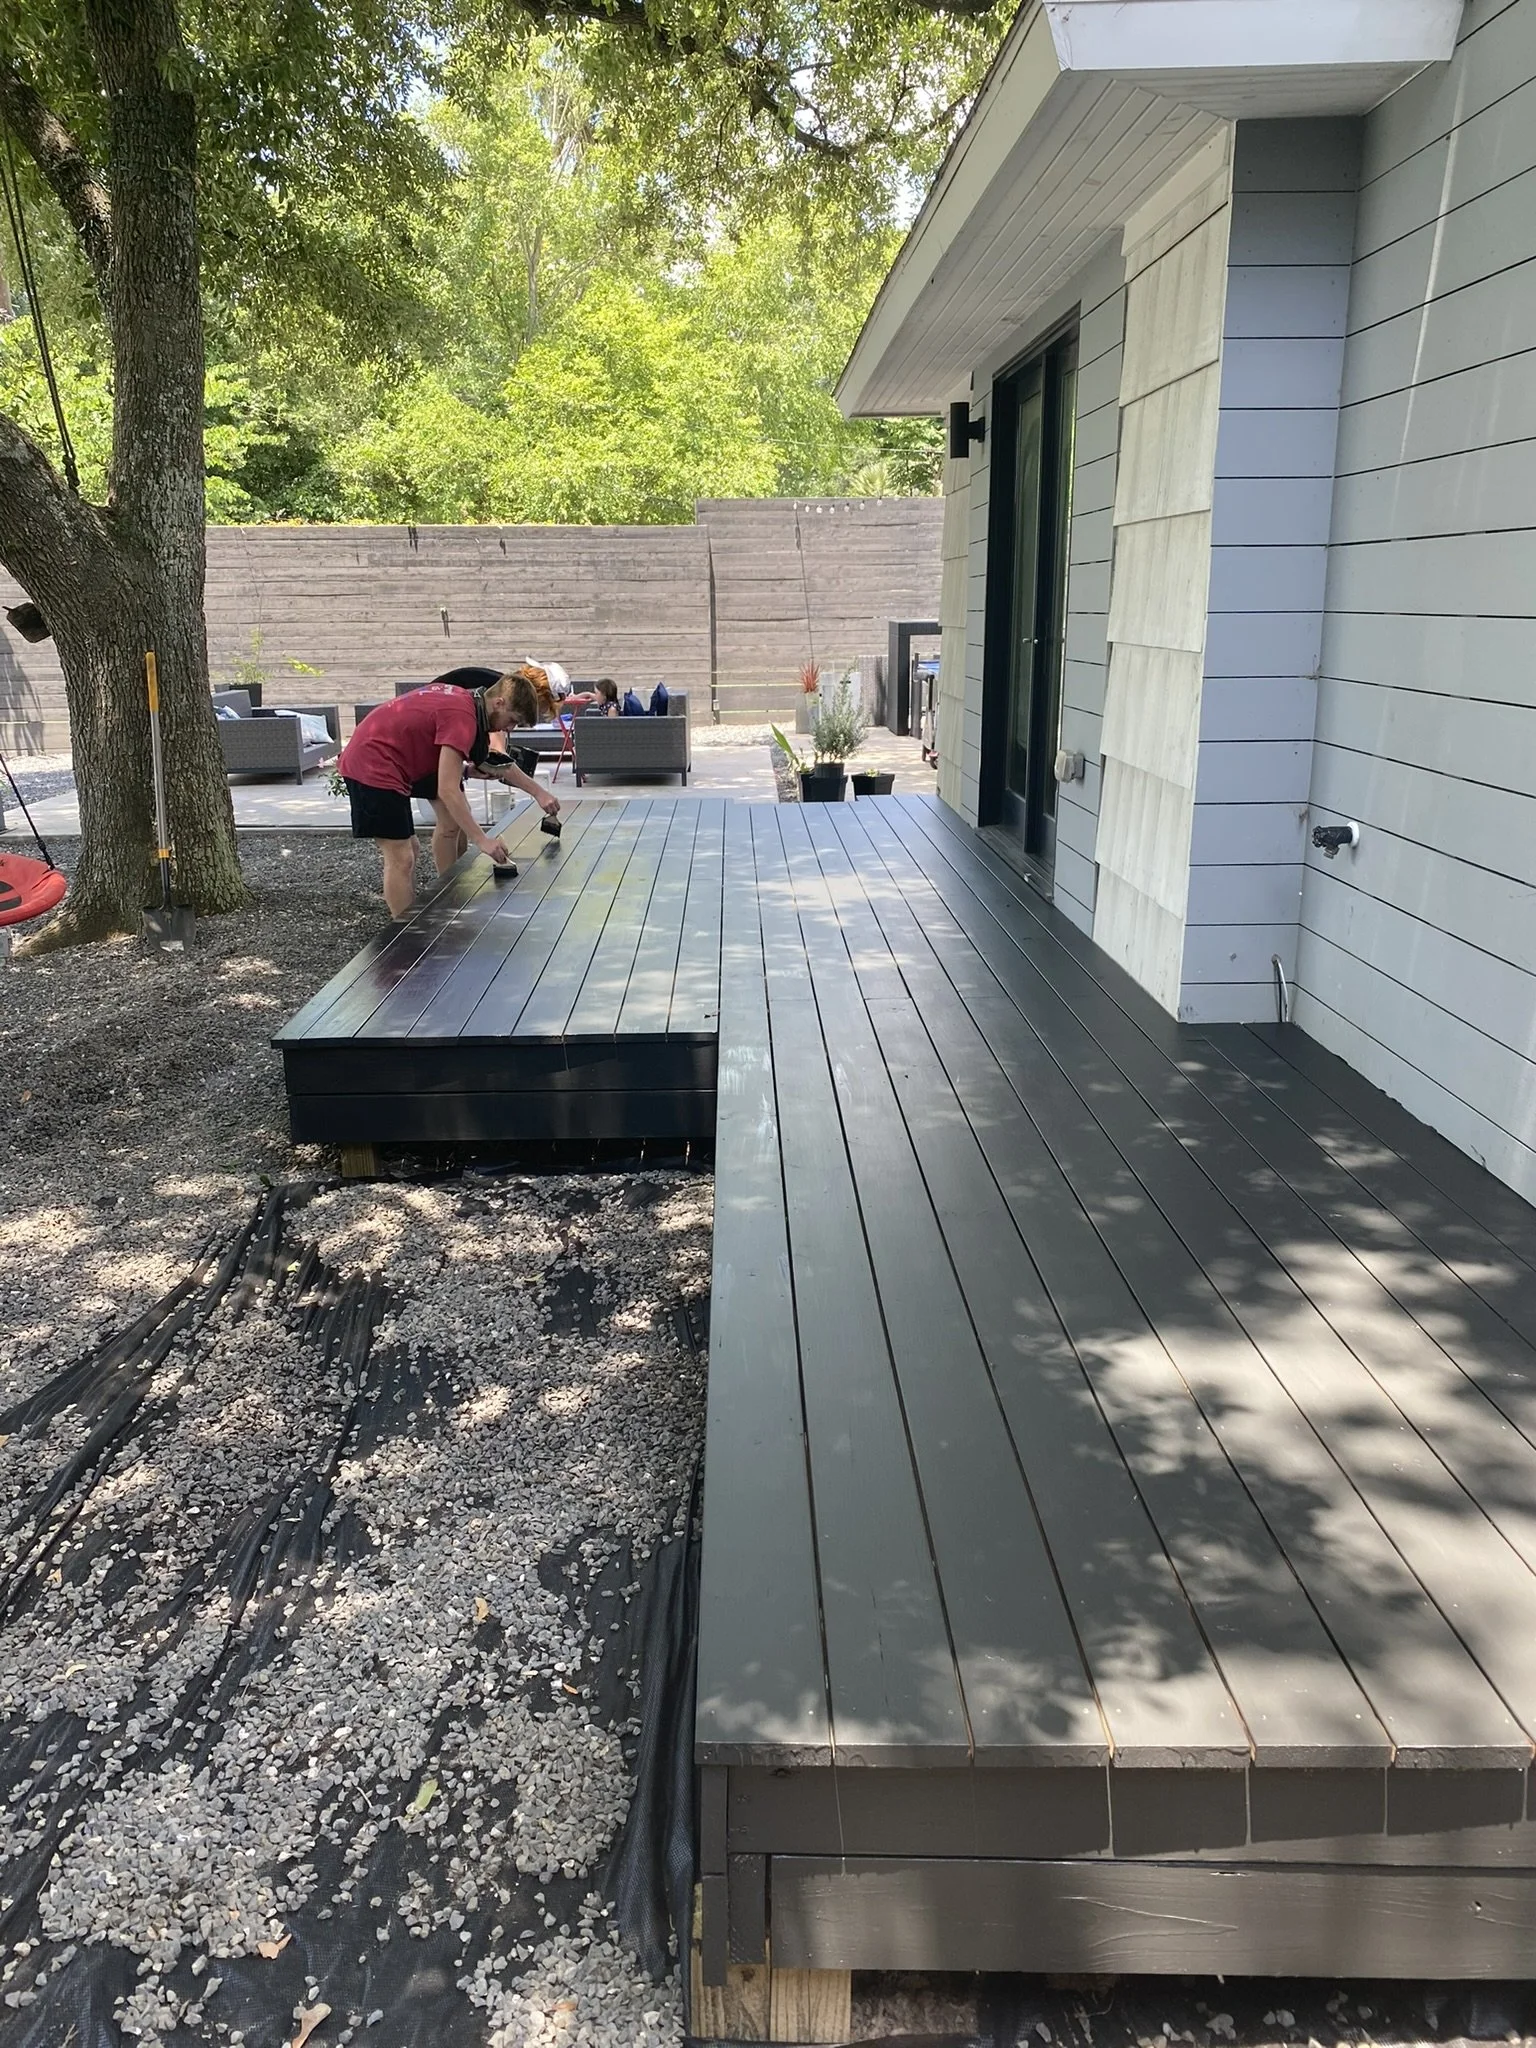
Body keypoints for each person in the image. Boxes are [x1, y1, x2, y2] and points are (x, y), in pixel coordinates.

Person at [339, 671, 559, 918]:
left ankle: (410, 921)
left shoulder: (469, 704)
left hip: (389, 759)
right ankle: (407, 941)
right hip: (372, 763)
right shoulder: (463, 716)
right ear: (499, 703)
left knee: (410, 848)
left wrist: (468, 771)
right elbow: (447, 789)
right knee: (401, 856)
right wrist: (482, 839)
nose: (509, 728)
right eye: (512, 720)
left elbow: (479, 764)